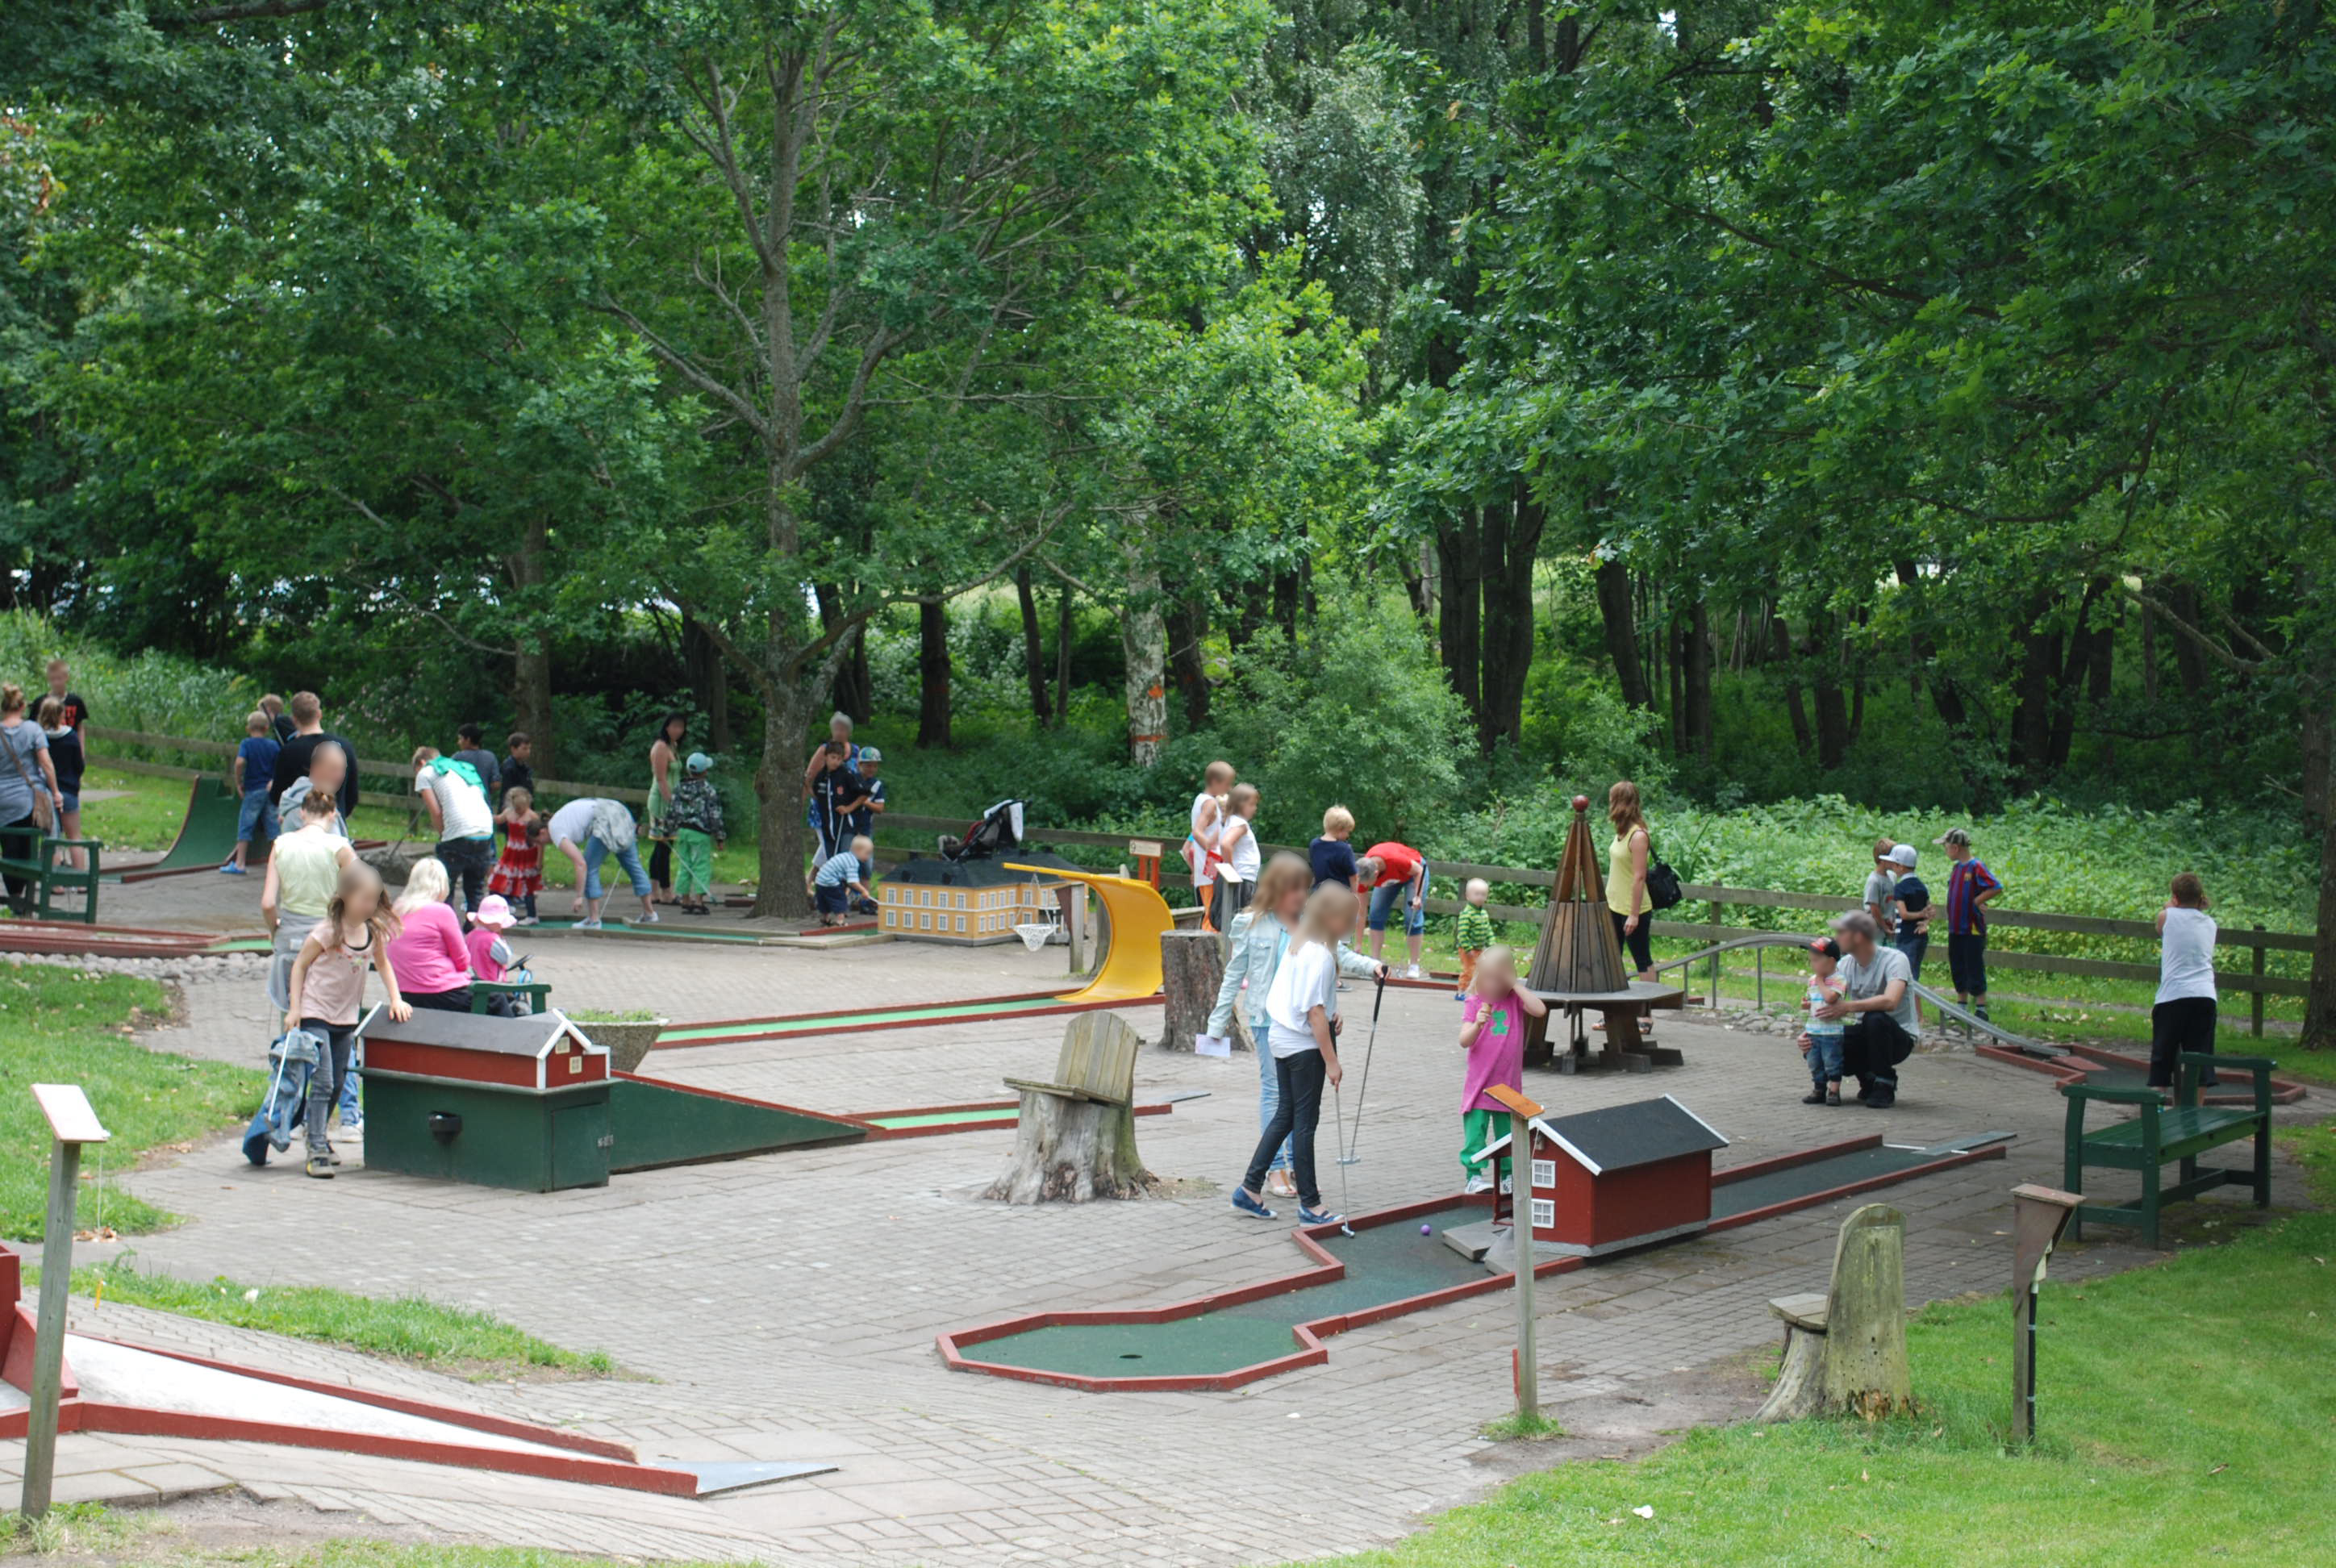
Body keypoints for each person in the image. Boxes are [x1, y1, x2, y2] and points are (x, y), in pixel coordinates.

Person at [1208, 853, 1387, 1200]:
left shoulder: (1311, 922)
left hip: (1307, 1023)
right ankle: (1275, 1168)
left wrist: (1372, 966)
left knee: (1299, 1102)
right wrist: (1218, 1021)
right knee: (1277, 1096)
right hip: (1268, 1020)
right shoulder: (1251, 924)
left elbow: (1338, 956)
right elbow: (1234, 973)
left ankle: (1297, 1168)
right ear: (1275, 890)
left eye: (1306, 890)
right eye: (1295, 890)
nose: (1302, 897)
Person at [1231, 881, 1359, 1227]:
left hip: (1281, 1039)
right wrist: (1332, 1061)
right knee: (1304, 1124)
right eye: (1348, 920)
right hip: (1302, 1048)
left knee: (1286, 1115)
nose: (1351, 927)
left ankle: (1250, 1188)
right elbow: (1314, 1011)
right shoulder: (1317, 954)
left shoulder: (1301, 943)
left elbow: (1312, 1003)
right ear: (1331, 918)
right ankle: (1312, 1205)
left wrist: (1332, 1014)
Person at [282, 860, 409, 1178]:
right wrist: (295, 1008)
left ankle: (320, 1136)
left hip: (345, 1017)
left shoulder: (371, 933)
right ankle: (315, 1148)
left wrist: (396, 998)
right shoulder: (327, 931)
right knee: (323, 1080)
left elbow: (383, 966)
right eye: (364, 899)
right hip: (316, 1013)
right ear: (346, 896)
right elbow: (299, 966)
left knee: (339, 1082)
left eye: (374, 900)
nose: (370, 906)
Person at [1458, 945, 1547, 1195]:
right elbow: (1464, 1040)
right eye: (1487, 978)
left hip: (1507, 1087)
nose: (1492, 985)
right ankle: (1473, 1177)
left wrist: (1514, 984)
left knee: (1507, 1136)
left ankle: (1507, 1177)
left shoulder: (1514, 1001)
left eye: (1498, 979)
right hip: (1480, 1087)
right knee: (1475, 1135)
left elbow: (1540, 1010)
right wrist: (1477, 1024)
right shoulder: (1475, 1002)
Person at [262, 789, 357, 1014]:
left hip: (289, 937)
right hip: (328, 936)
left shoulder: (280, 845)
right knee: (327, 1012)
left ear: (302, 813)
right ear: (333, 814)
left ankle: (290, 1045)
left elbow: (267, 903)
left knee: (290, 1010)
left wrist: (274, 928)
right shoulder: (341, 847)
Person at [1812, 910, 1916, 1108]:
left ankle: (1885, 1082)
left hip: (1898, 1038)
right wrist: (1811, 1033)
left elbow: (1890, 1001)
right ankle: (1868, 1078)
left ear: (1858, 936)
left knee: (1875, 1018)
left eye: (1841, 932)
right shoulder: (1845, 965)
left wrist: (1847, 1007)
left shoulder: (1895, 959)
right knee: (1819, 1040)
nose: (1836, 938)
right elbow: (1829, 1005)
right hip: (1866, 1035)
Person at [2151, 873, 2220, 1094]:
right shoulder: (2210, 923)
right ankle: (2195, 1117)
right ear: (2200, 898)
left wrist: (2170, 905)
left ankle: (2157, 1110)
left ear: (2175, 897)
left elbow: (2160, 928)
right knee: (2199, 1061)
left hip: (2173, 996)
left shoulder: (2166, 916)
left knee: (2163, 1058)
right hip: (2205, 995)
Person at [0, 685, 64, 915]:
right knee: (28, 851)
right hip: (28, 801)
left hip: (2, 803)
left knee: (9, 851)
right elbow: (46, 763)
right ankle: (26, 901)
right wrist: (55, 792)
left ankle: (16, 899)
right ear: (22, 706)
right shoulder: (32, 729)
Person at [547, 795, 655, 928]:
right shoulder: (561, 817)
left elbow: (581, 865)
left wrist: (579, 896)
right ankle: (650, 913)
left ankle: (594, 919)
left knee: (590, 867)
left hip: (604, 818)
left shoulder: (555, 830)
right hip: (619, 810)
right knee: (633, 865)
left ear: (541, 832)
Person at [411, 746, 496, 912]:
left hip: (459, 834)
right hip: (485, 832)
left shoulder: (425, 772)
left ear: (421, 762)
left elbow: (436, 812)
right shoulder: (461, 769)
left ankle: (444, 931)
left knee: (444, 889)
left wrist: (444, 836)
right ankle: (474, 934)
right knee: (475, 891)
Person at [386, 857, 474, 1011]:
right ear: (442, 884)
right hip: (443, 992)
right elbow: (463, 961)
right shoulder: (441, 911)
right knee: (497, 999)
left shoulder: (396, 910)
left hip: (406, 993)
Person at [1937, 828, 2002, 1021]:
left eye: (1946, 847)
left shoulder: (1976, 866)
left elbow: (1995, 886)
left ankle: (1981, 1008)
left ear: (1955, 848)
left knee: (1974, 964)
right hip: (1955, 926)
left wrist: (1976, 901)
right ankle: (1961, 1006)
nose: (1945, 850)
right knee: (1957, 963)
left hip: (1972, 928)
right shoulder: (1957, 868)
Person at [267, 692, 361, 817]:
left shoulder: (289, 751)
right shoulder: (345, 747)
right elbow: (352, 795)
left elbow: (277, 796)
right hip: (334, 821)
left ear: (294, 719)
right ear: (319, 714)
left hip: (300, 823)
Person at [220, 710, 282, 875]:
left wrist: (238, 781)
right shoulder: (274, 745)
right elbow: (280, 766)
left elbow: (240, 762)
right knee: (274, 828)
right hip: (270, 790)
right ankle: (278, 865)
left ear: (248, 728)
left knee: (245, 825)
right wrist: (274, 781)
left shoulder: (247, 744)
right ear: (267, 728)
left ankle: (240, 863)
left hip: (253, 789)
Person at [1606, 780, 1656, 981]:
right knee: (1611, 958)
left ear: (1620, 803)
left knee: (1642, 959)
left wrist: (1634, 915)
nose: (1609, 805)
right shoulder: (1621, 833)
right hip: (1614, 905)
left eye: (1612, 800)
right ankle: (1615, 1011)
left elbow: (1639, 876)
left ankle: (1647, 1010)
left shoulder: (1638, 836)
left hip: (1633, 909)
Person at [1356, 838, 1428, 978]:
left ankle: (1414, 965)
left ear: (1376, 874)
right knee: (1375, 914)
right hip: (1393, 876)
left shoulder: (1395, 860)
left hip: (1414, 872)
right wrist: (1358, 944)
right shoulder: (1363, 873)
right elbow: (1361, 911)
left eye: (1370, 884)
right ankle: (1375, 962)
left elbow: (1419, 871)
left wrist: (1417, 896)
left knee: (1411, 916)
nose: (1367, 887)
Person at [668, 753, 724, 915]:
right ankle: (699, 901)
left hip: (683, 831)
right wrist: (720, 836)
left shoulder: (679, 787)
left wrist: (668, 829)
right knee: (701, 865)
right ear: (705, 771)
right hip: (701, 832)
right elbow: (715, 814)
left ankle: (685, 899)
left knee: (684, 864)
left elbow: (672, 810)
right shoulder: (708, 790)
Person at [35, 696, 86, 874]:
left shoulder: (39, 737)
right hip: (69, 791)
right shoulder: (71, 736)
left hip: (47, 794)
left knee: (52, 838)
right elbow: (79, 765)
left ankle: (55, 884)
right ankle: (80, 881)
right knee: (74, 837)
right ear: (61, 715)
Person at [801, 711, 861, 853]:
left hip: (846, 810)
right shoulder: (824, 750)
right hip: (824, 808)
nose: (839, 733)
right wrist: (811, 796)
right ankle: (828, 874)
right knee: (831, 846)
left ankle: (812, 875)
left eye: (842, 730)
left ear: (849, 732)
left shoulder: (856, 751)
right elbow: (808, 778)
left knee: (835, 846)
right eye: (836, 729)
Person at [1799, 938, 1849, 1105]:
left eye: (1816, 960)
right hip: (1814, 1029)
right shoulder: (1812, 980)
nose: (1812, 965)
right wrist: (1806, 1005)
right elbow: (1813, 1000)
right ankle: (1818, 1089)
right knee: (1815, 1063)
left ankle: (1834, 1091)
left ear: (1831, 962)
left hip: (1831, 1032)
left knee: (1832, 1062)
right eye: (1811, 960)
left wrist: (1820, 981)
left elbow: (1831, 997)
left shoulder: (1839, 980)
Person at [645, 712, 687, 905]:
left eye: (681, 727)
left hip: (672, 797)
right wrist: (672, 803)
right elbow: (661, 779)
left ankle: (655, 891)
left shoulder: (674, 746)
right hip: (662, 801)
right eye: (674, 726)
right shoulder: (661, 747)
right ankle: (664, 891)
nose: (678, 730)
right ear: (666, 727)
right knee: (663, 846)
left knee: (662, 846)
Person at [487, 786, 544, 925]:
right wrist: (486, 813)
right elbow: (498, 819)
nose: (519, 812)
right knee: (498, 878)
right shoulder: (508, 812)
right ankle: (496, 910)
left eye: (522, 808)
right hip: (511, 852)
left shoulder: (531, 816)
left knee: (527, 884)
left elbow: (540, 842)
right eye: (517, 808)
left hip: (527, 853)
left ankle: (532, 915)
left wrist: (539, 860)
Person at [805, 741, 869, 865]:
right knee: (831, 862)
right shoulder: (821, 776)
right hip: (827, 827)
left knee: (843, 860)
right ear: (826, 757)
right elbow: (819, 798)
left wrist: (849, 808)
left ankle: (847, 884)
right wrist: (808, 787)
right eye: (833, 758)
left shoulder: (846, 774)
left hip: (845, 826)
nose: (836, 762)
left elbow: (864, 794)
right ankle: (835, 885)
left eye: (839, 759)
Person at [1184, 761, 1233, 917]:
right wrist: (1208, 845)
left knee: (1210, 913)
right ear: (1214, 782)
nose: (1229, 789)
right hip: (1210, 869)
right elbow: (1197, 831)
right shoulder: (1210, 803)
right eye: (1227, 784)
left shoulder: (1201, 799)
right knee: (1211, 916)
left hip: (1207, 868)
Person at [1211, 783, 1262, 929]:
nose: (1255, 808)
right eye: (1252, 804)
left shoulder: (1230, 822)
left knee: (1235, 924)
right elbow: (1226, 844)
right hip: (1241, 880)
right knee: (1241, 922)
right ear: (1240, 804)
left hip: (1242, 878)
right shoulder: (1240, 824)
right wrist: (1230, 871)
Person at [276, 742, 350, 839]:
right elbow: (335, 850)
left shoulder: (301, 794)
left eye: (343, 769)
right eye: (334, 769)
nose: (340, 776)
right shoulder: (313, 805)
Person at [811, 835, 875, 924]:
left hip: (820, 880)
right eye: (867, 853)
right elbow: (853, 882)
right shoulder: (852, 863)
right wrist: (863, 891)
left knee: (824, 900)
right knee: (841, 900)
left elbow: (845, 878)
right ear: (858, 851)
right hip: (830, 882)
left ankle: (824, 918)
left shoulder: (845, 856)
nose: (868, 857)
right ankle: (840, 922)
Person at [1454, 878, 1495, 999]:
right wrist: (1468, 948)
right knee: (1469, 971)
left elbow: (1488, 930)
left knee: (1480, 971)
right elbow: (1462, 933)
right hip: (1468, 949)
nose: (1480, 897)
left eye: (1483, 894)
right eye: (1477, 894)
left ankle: (1474, 992)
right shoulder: (1467, 914)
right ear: (1468, 896)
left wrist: (1492, 943)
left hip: (1480, 948)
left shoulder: (1483, 914)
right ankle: (1461, 991)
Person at [465, 894, 519, 982]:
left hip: (471, 982)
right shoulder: (492, 939)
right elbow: (505, 958)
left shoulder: (470, 935)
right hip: (490, 986)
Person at [1309, 805, 1358, 888]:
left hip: (1319, 892)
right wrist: (1356, 897)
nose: (1348, 836)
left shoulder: (1314, 845)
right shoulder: (1345, 849)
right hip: (1340, 894)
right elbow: (1353, 877)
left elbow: (1315, 871)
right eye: (1347, 832)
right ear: (1340, 829)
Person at [452, 722, 502, 803]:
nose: (458, 742)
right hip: (485, 804)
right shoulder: (490, 756)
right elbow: (496, 784)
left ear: (468, 740)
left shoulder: (458, 758)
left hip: (463, 804)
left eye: (460, 739)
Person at [846, 747, 887, 838]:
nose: (872, 769)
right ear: (860, 764)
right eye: (868, 765)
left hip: (865, 829)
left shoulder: (877, 784)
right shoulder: (851, 780)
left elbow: (880, 808)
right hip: (848, 827)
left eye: (875, 766)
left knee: (865, 852)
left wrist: (863, 801)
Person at [1863, 838, 1899, 939]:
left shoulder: (1892, 876)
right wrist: (1884, 927)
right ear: (1883, 860)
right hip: (1876, 928)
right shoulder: (1874, 881)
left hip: (1890, 924)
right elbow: (1874, 908)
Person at [501, 731, 536, 803]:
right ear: (513, 749)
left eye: (529, 748)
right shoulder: (509, 768)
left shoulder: (524, 768)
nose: (528, 751)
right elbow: (508, 794)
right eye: (525, 749)